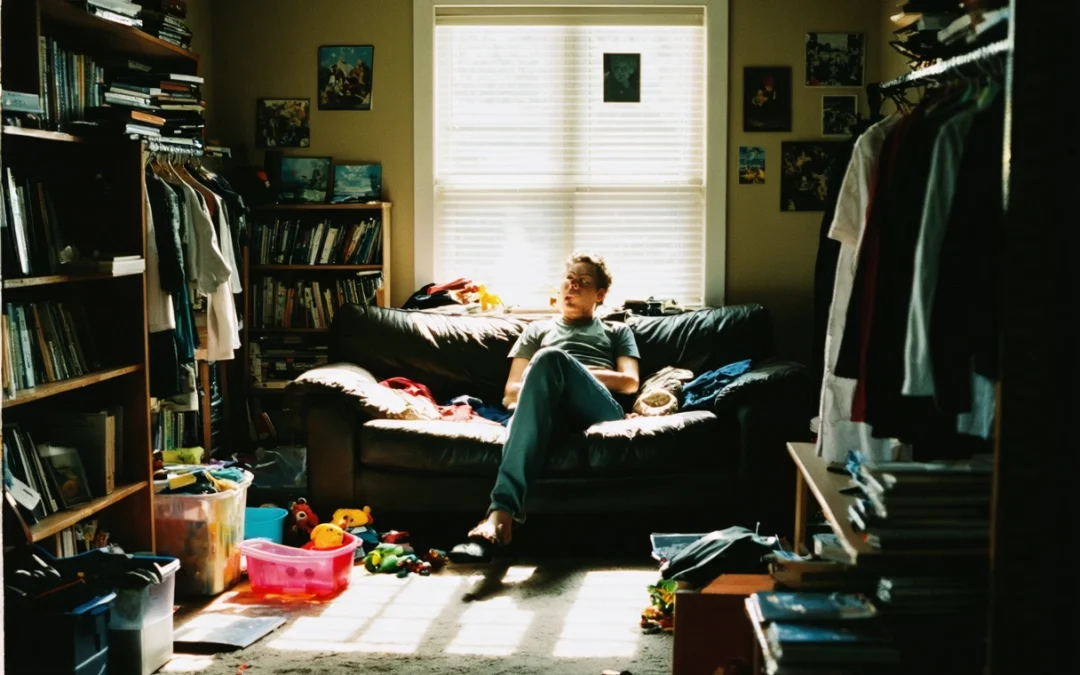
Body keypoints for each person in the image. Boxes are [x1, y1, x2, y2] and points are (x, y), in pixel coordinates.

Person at [449, 253, 641, 563]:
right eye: (570, 279)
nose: (573, 286)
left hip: (598, 410)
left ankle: (500, 516)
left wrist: (566, 370)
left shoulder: (617, 331)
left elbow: (629, 382)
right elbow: (511, 392)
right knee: (545, 369)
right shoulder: (537, 331)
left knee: (550, 359)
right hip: (547, 410)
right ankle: (499, 519)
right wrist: (548, 384)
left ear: (600, 294)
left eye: (584, 282)